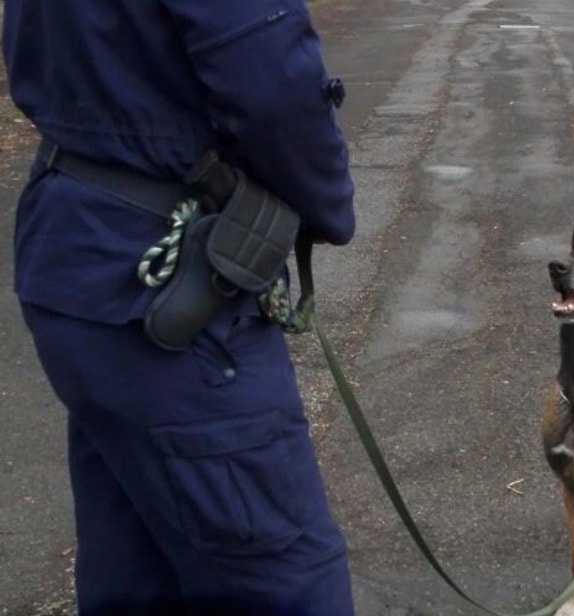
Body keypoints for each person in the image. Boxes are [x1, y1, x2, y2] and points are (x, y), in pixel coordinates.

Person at [2, 1, 356, 615]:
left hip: (75, 255)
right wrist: (328, 205)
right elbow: (273, 87)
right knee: (282, 575)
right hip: (169, 293)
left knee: (134, 563)